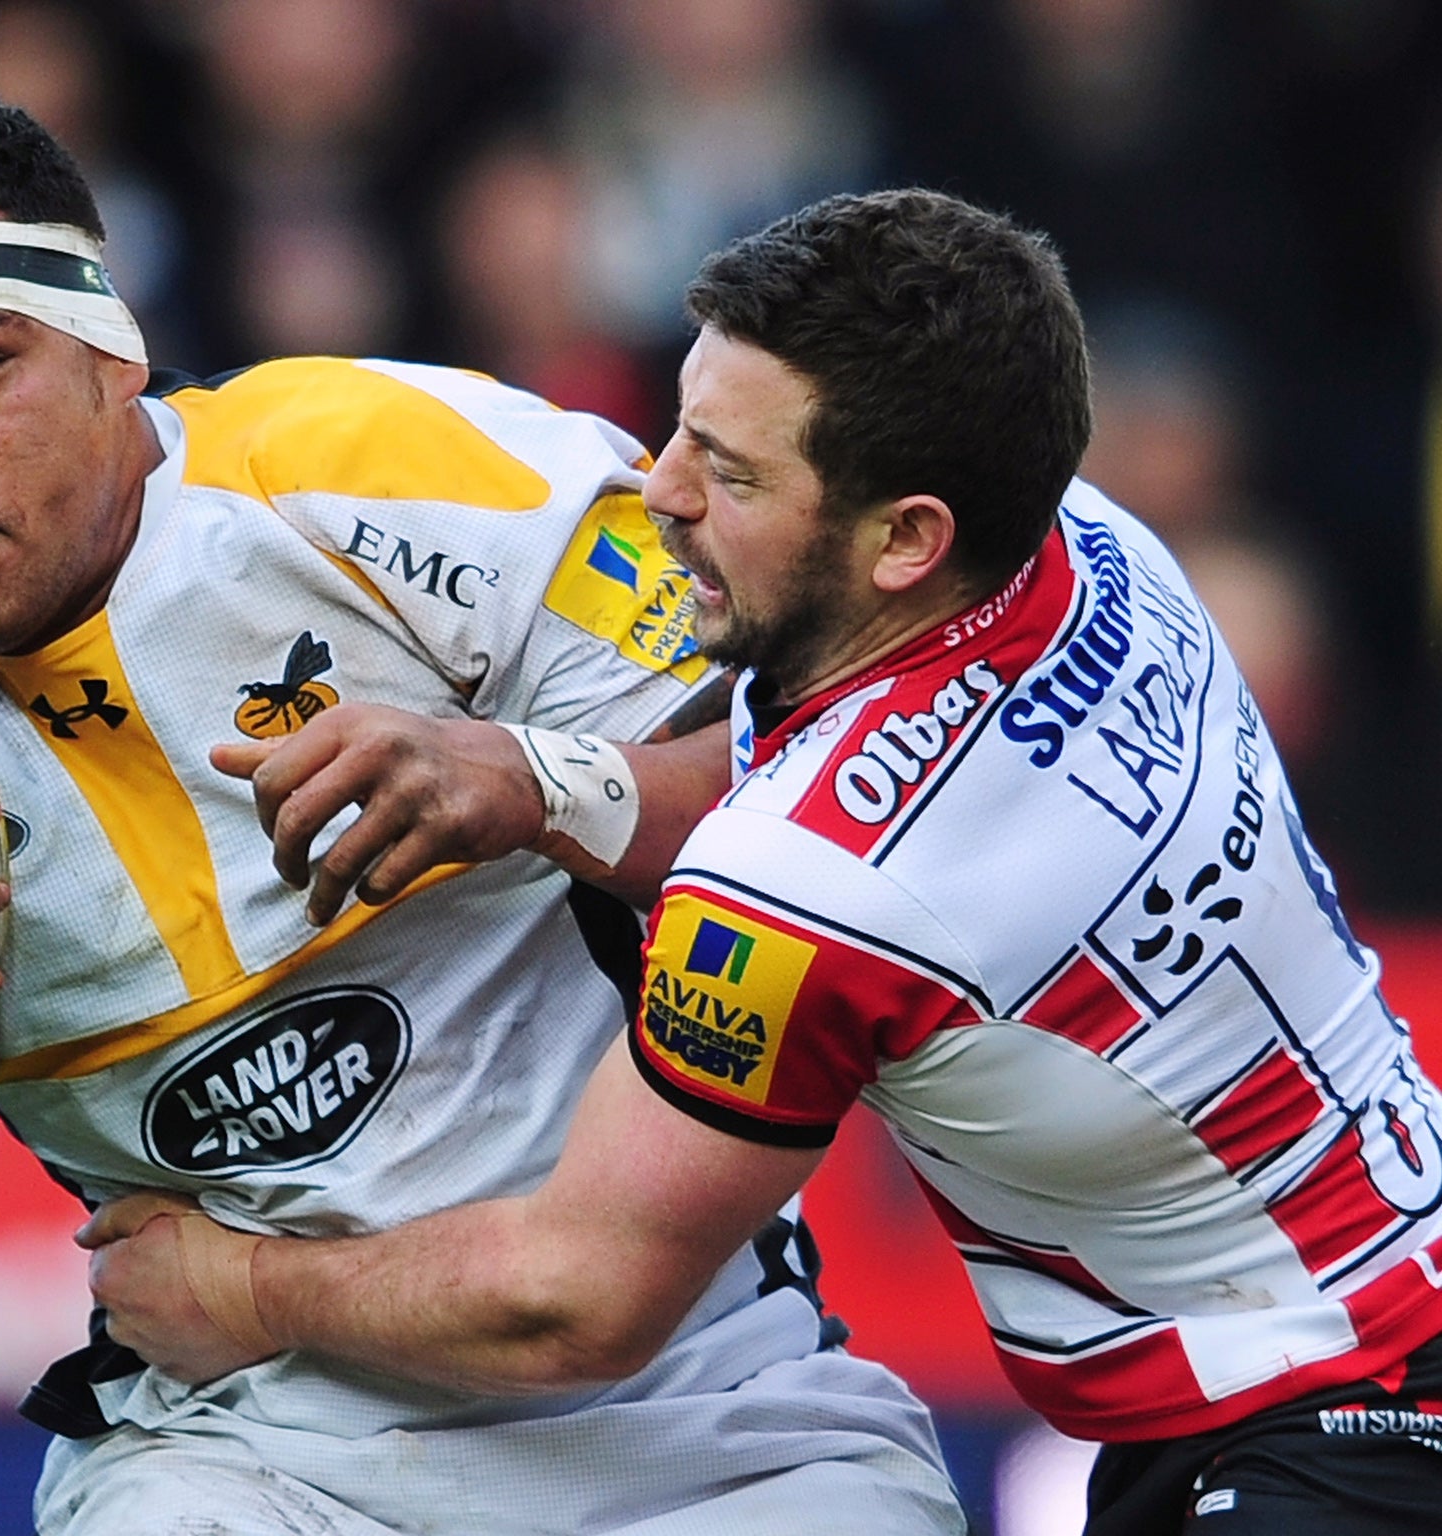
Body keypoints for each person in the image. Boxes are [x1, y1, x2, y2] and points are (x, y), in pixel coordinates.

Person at [0, 90, 967, 1536]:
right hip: (246, 1461)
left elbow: (851, 792)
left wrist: (538, 784)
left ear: (116, 354)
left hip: (704, 1413)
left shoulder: (384, 474)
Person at [83, 188, 1442, 1536]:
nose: (656, 491)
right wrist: (534, 777)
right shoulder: (1084, 542)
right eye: (682, 427)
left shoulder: (808, 897)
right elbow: (835, 766)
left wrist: (245, 1292)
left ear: (906, 537)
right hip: (1358, 1316)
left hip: (1332, 1425)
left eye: (727, 474)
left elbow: (578, 1299)